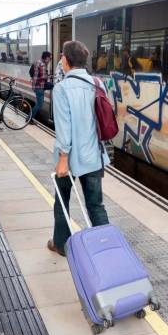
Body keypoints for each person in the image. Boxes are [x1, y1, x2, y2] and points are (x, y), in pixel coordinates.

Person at [48, 40, 110, 256]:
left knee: (62, 201)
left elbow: (64, 128)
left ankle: (61, 244)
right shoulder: (97, 84)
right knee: (96, 205)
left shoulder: (62, 88)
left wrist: (63, 158)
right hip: (94, 155)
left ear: (65, 61)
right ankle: (107, 247)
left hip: (71, 157)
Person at [31, 51, 52, 118]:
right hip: (39, 86)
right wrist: (51, 76)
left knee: (53, 85)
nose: (50, 60)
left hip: (36, 85)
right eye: (50, 59)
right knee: (39, 104)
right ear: (46, 58)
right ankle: (30, 118)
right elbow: (43, 77)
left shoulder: (37, 62)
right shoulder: (42, 64)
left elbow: (37, 74)